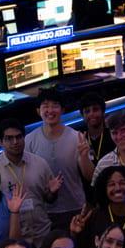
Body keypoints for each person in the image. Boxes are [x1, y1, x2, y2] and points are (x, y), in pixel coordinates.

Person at [25, 89, 92, 238]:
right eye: (45, 106)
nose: (50, 110)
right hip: (43, 212)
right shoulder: (29, 141)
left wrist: (84, 156)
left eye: (55, 105)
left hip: (74, 207)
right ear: (38, 111)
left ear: (62, 109)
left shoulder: (77, 137)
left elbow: (90, 176)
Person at [0, 121, 58, 248]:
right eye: (9, 138)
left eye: (19, 137)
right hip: (14, 239)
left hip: (43, 234)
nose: (15, 142)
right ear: (1, 142)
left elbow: (49, 200)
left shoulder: (40, 163)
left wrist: (52, 192)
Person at [75, 94, 112, 170]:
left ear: (103, 112)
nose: (91, 114)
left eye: (95, 110)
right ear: (83, 115)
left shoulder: (113, 134)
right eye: (87, 111)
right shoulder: (80, 139)